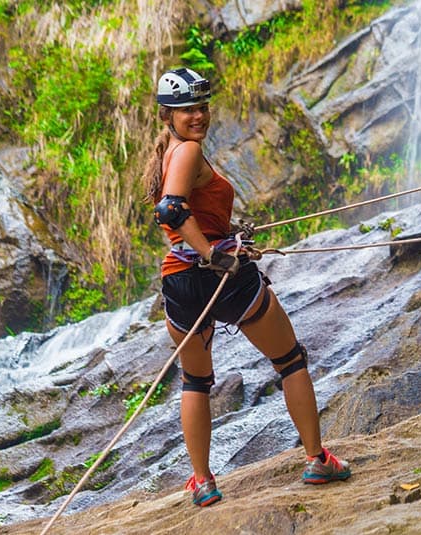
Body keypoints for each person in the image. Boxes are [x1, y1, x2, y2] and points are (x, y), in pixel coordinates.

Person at [141, 68, 351, 507]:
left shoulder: (171, 153)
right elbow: (171, 210)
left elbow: (188, 215)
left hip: (179, 281)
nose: (197, 116)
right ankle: (317, 459)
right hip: (220, 275)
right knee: (290, 359)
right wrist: (216, 256)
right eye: (187, 111)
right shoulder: (189, 152)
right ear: (167, 116)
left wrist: (224, 236)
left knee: (196, 380)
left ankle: (202, 481)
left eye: (201, 107)